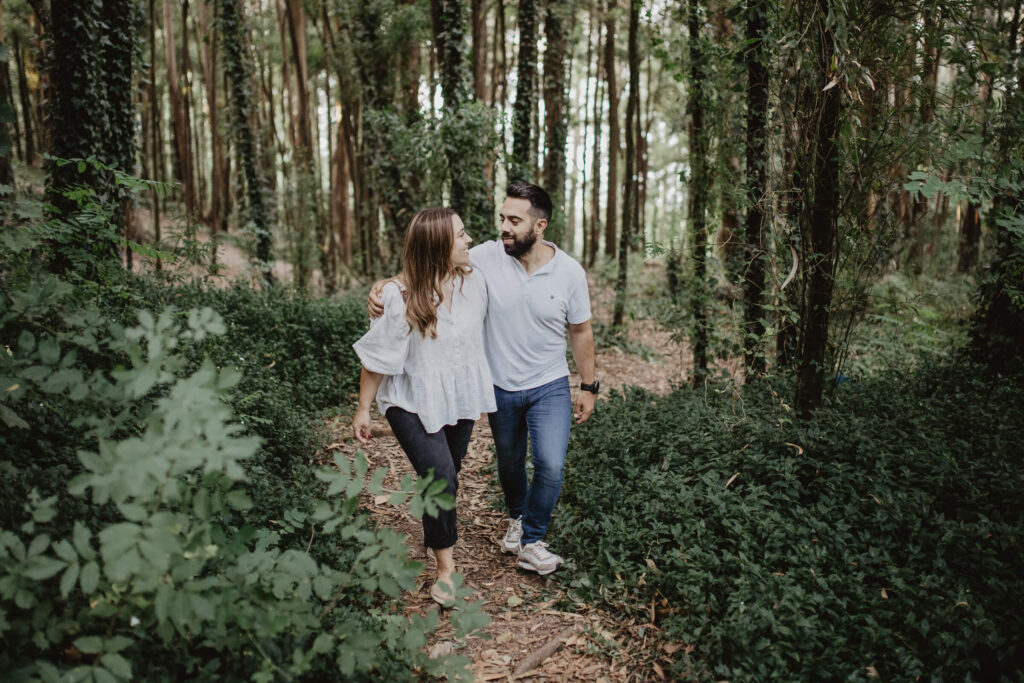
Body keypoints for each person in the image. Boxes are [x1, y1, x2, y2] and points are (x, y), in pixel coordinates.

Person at [370, 182, 598, 576]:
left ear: (539, 225)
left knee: (550, 464)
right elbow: (429, 260)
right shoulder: (486, 257)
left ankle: (532, 539)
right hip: (500, 385)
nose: (504, 228)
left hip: (549, 382)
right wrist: (388, 284)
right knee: (509, 462)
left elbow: (580, 331)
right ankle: (515, 520)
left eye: (514, 220)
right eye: (502, 218)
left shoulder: (570, 273)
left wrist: (589, 386)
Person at [352, 207, 495, 605]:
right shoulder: (399, 296)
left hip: (459, 396)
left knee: (446, 476)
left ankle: (434, 532)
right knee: (441, 473)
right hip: (408, 400)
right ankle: (446, 569)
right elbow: (376, 357)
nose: (469, 240)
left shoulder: (475, 279)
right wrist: (364, 408)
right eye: (462, 235)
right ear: (438, 245)